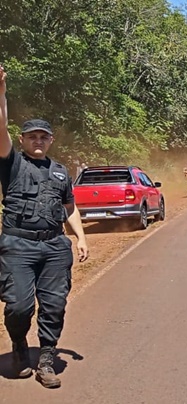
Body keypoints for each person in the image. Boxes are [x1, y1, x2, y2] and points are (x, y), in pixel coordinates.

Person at [0, 64, 89, 389]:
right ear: (22, 139)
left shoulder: (61, 172)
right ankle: (20, 346)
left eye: (43, 136)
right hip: (18, 245)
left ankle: (47, 359)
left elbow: (69, 207)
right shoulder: (11, 162)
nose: (38, 140)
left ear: (50, 140)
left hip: (53, 246)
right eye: (32, 136)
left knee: (54, 305)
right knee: (20, 305)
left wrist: (80, 237)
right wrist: (2, 92)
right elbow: (0, 125)